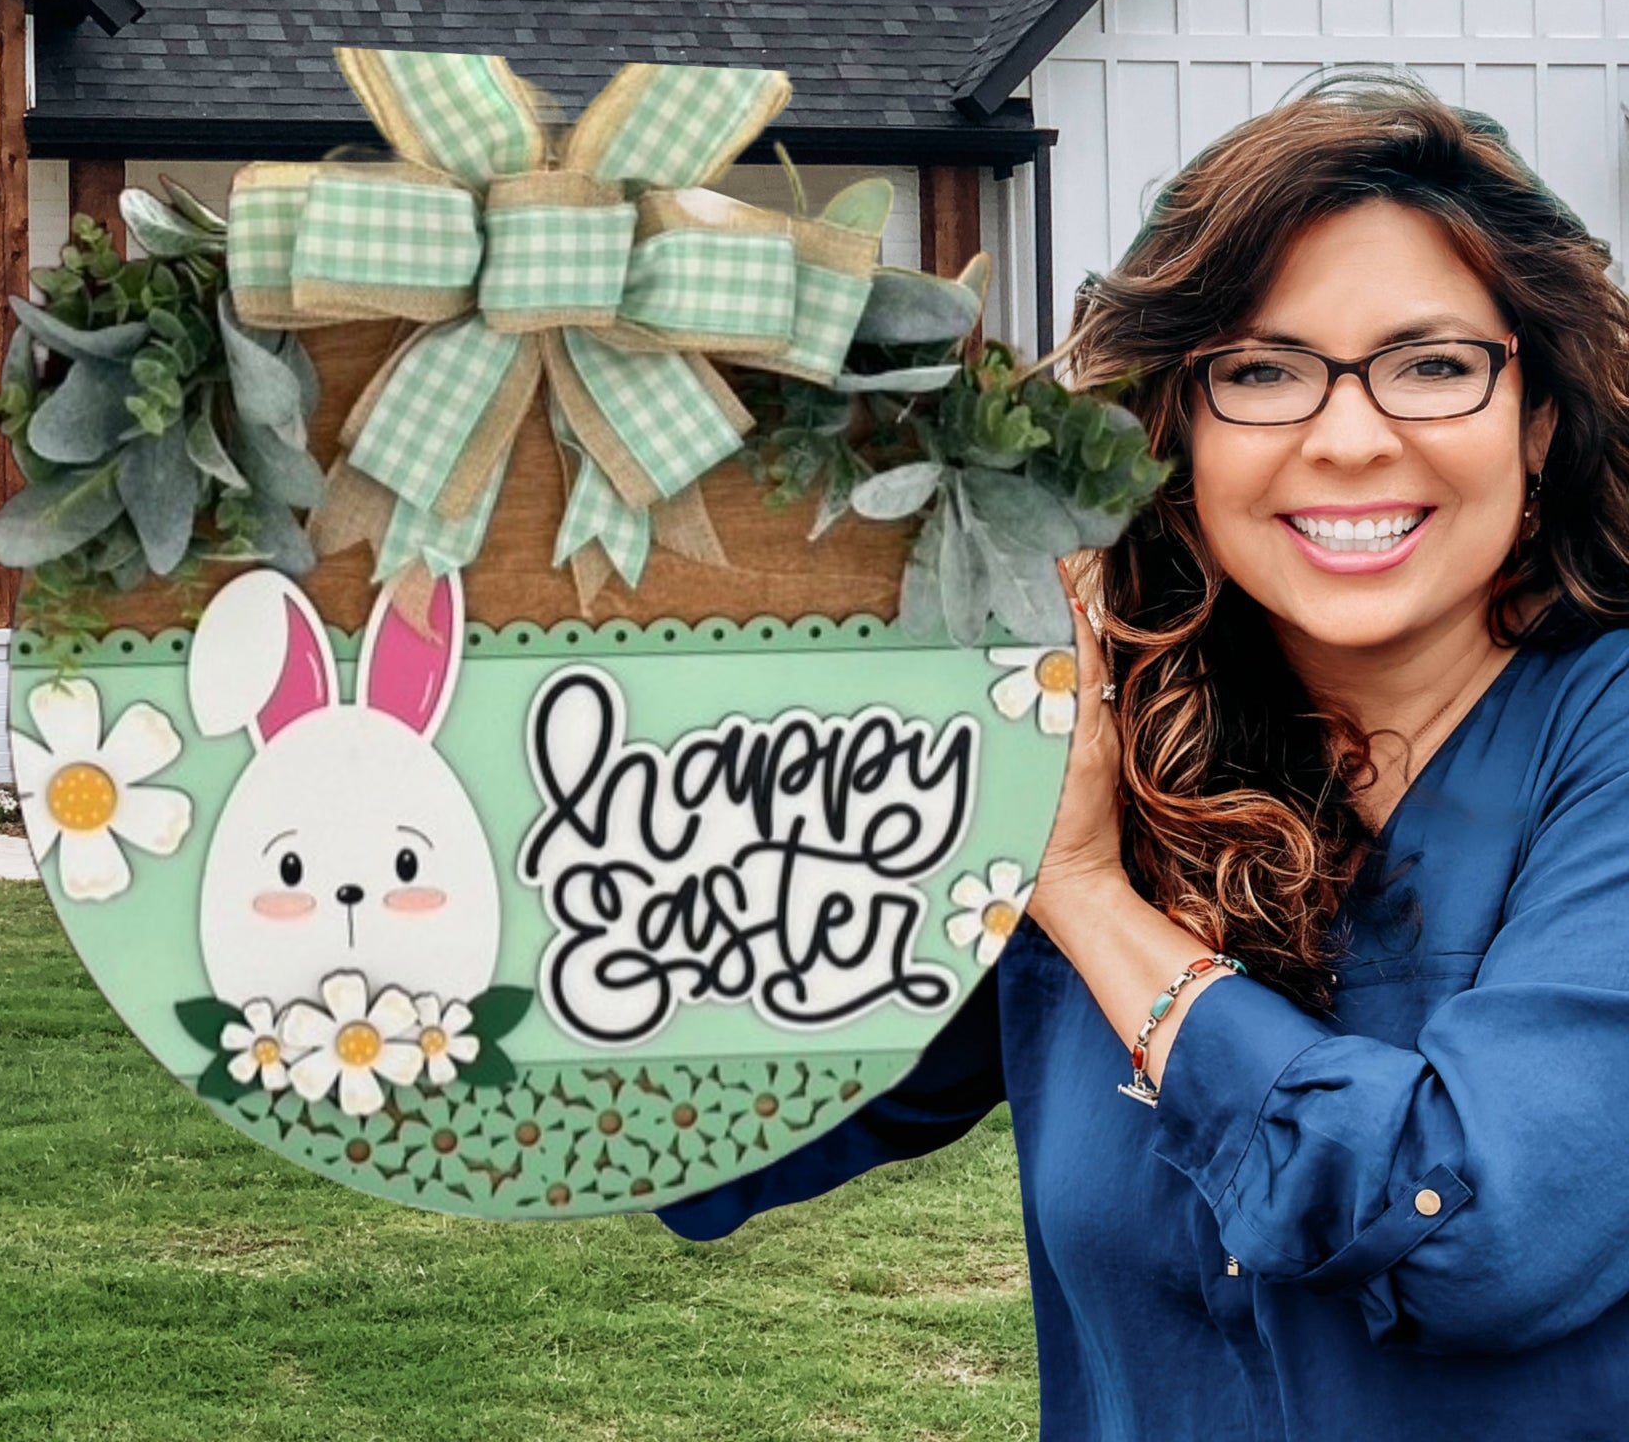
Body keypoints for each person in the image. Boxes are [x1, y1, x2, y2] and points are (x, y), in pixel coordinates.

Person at [658, 74, 1629, 1439]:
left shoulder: (1600, 743)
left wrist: (1087, 894)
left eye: (1432, 364)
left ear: (1537, 422)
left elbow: (1476, 1233)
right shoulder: (1116, 733)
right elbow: (722, 1106)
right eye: (1263, 371)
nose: (1350, 438)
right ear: (1175, 434)